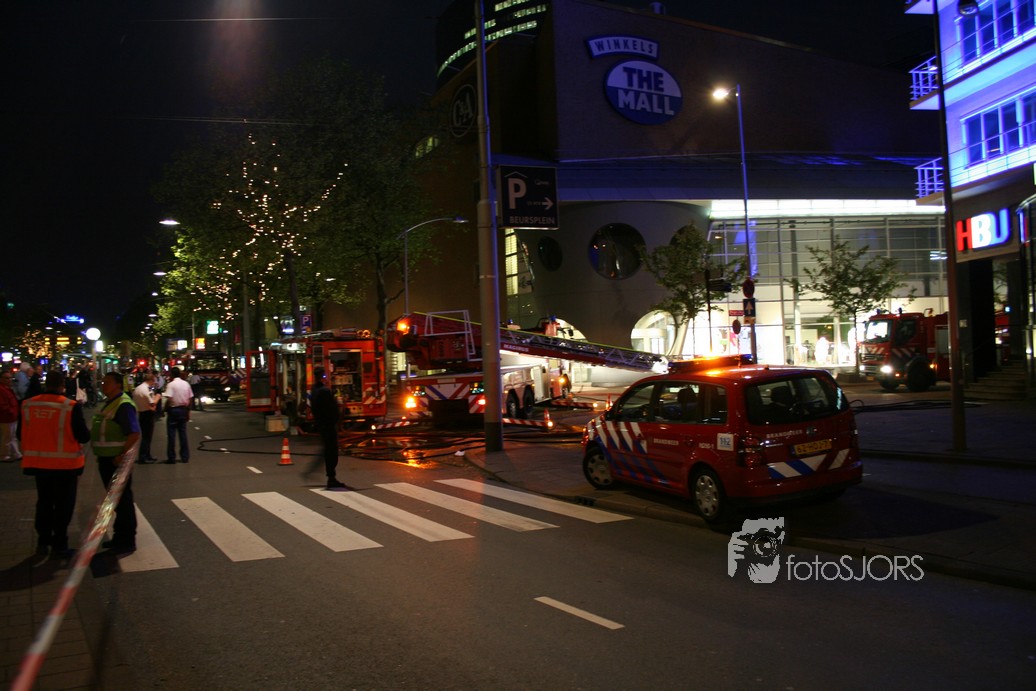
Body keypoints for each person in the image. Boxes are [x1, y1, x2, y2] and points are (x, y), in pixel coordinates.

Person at [20, 370, 91, 558]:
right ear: (62, 385)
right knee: (63, 505)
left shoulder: (28, 405)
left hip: (38, 464)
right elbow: (83, 436)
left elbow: (20, 433)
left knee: (44, 502)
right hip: (65, 465)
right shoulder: (69, 406)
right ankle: (60, 543)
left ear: (46, 384)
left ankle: (43, 540)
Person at [92, 372, 141, 553]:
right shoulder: (110, 403)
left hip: (116, 460)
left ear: (118, 385)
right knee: (116, 501)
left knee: (122, 501)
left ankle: (126, 540)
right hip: (108, 459)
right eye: (103, 382)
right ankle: (120, 537)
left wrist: (121, 455)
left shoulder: (123, 404)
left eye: (107, 382)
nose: (103, 385)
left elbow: (134, 433)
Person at [309, 366, 346, 489]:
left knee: (327, 451)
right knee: (332, 452)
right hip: (328, 425)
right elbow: (331, 409)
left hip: (321, 424)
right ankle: (331, 477)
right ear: (323, 376)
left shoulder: (314, 389)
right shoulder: (325, 391)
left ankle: (331, 477)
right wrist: (338, 417)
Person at [162, 367, 193, 463]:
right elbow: (190, 398)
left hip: (173, 410)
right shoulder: (186, 384)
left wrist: (164, 409)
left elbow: (169, 398)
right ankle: (185, 456)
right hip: (183, 409)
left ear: (171, 374)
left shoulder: (171, 385)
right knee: (183, 434)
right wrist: (188, 411)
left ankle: (172, 457)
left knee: (171, 435)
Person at [132, 372, 160, 463]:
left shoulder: (137, 389)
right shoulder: (146, 389)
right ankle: (144, 456)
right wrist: (158, 397)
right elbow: (152, 403)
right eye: (153, 381)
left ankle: (147, 455)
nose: (154, 383)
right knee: (147, 437)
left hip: (141, 413)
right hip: (148, 413)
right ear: (151, 380)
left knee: (145, 436)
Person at [0, 368, 21, 462]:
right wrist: (11, 412)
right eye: (6, 378)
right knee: (7, 437)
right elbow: (3, 405)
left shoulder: (7, 389)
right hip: (6, 417)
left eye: (10, 378)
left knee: (11, 436)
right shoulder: (2, 390)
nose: (9, 380)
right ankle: (4, 455)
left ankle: (15, 453)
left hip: (11, 416)